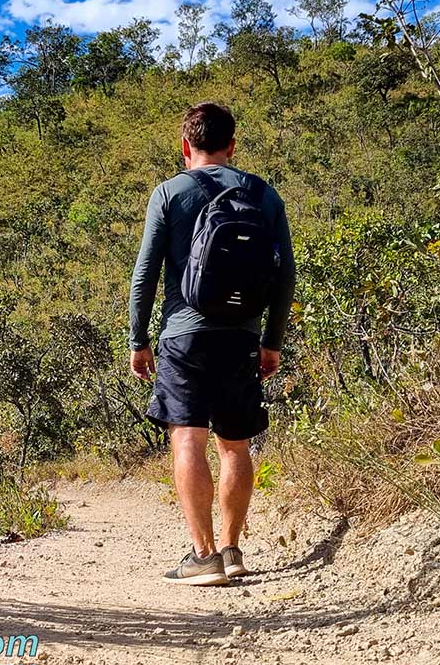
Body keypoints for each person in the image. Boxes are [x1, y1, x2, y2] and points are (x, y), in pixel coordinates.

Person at [128, 101, 295, 586]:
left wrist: (139, 340)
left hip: (184, 335)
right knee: (235, 445)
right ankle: (233, 549)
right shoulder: (263, 195)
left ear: (186, 146)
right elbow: (284, 278)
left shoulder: (168, 193)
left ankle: (203, 557)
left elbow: (145, 275)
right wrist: (272, 341)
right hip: (242, 336)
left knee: (187, 438)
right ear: (232, 145)